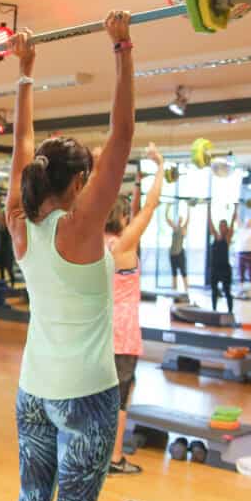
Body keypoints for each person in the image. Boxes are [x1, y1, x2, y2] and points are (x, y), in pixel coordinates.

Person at [3, 12, 133, 501]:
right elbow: (121, 136)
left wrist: (26, 73)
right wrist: (121, 46)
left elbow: (22, 145)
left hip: (33, 390)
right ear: (79, 183)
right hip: (85, 396)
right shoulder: (81, 229)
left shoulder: (18, 222)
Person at [105, 144, 163, 476]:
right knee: (120, 399)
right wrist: (159, 167)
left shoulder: (93, 243)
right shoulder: (125, 246)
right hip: (122, 334)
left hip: (96, 330)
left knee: (92, 394)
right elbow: (151, 208)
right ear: (124, 219)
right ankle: (113, 460)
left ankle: (90, 454)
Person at [208, 205, 238, 314]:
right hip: (215, 269)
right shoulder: (215, 236)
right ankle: (214, 311)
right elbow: (210, 224)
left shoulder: (228, 238)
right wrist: (208, 207)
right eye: (221, 225)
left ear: (226, 228)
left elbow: (233, 221)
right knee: (214, 291)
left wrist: (235, 208)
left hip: (225, 269)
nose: (222, 227)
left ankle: (230, 312)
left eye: (224, 226)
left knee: (227, 291)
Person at [165, 203, 190, 291]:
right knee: (174, 274)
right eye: (179, 218)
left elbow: (188, 220)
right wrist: (167, 208)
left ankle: (187, 291)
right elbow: (167, 219)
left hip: (180, 254)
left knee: (183, 273)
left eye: (181, 218)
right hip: (172, 254)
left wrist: (188, 208)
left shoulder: (183, 229)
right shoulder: (175, 227)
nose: (180, 219)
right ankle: (174, 291)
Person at [0, 199, 17, 287]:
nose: (1, 218)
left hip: (8, 251)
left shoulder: (10, 226)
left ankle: (12, 286)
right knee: (1, 270)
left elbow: (10, 215)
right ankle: (2, 287)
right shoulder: (0, 226)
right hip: (1, 250)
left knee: (9, 270)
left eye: (3, 217)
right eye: (2, 217)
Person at [235, 210, 251, 285]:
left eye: (250, 222)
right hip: (241, 253)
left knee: (250, 273)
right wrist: (236, 207)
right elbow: (237, 219)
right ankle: (241, 288)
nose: (248, 223)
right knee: (241, 273)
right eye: (247, 221)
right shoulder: (240, 229)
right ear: (245, 222)